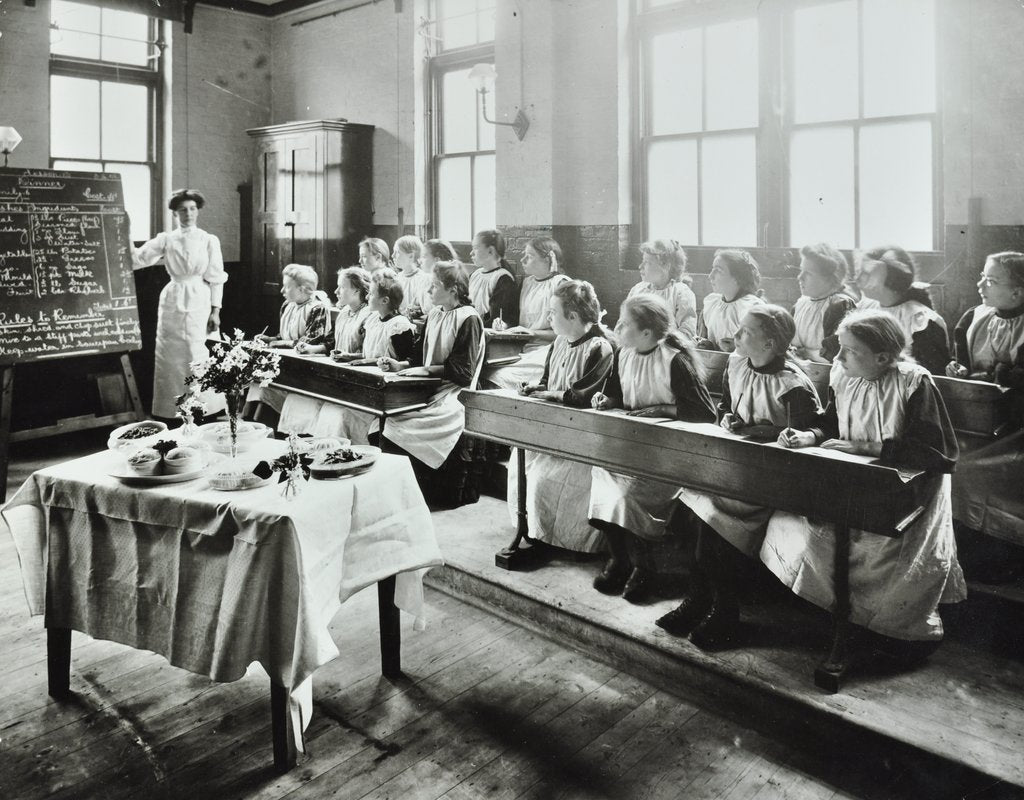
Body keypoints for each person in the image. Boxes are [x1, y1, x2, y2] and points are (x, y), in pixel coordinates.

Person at [765, 310, 966, 661]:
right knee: (806, 532)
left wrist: (865, 448)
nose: (838, 358)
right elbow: (832, 422)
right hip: (853, 482)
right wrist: (809, 434)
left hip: (910, 493)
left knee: (884, 557)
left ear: (883, 357)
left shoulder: (913, 382)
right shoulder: (844, 376)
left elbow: (935, 452)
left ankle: (888, 635)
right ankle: (846, 624)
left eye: (849, 351)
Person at [660, 306, 822, 647]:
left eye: (746, 332)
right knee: (689, 505)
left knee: (713, 519)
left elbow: (807, 440)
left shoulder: (792, 384)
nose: (736, 336)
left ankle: (725, 610)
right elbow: (727, 409)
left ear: (771, 343)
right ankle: (699, 599)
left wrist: (773, 432)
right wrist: (730, 419)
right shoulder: (736, 365)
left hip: (773, 479)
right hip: (737, 467)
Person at [588, 295, 716, 603]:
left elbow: (704, 413)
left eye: (625, 323)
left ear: (647, 333)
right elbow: (619, 395)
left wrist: (662, 410)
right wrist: (608, 401)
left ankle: (645, 567)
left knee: (628, 494)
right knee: (599, 473)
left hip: (669, 455)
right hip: (633, 446)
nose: (617, 327)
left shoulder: (675, 360)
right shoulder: (624, 353)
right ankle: (620, 559)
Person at [510, 280, 615, 554]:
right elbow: (549, 381)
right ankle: (533, 529)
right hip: (555, 428)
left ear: (573, 316)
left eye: (552, 313)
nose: (548, 318)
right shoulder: (559, 342)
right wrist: (537, 388)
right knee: (520, 462)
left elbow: (580, 397)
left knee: (546, 479)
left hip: (583, 437)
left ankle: (560, 540)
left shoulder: (599, 347)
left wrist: (549, 395)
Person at [382, 262, 486, 507]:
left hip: (458, 391)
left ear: (454, 290)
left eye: (435, 285)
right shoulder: (434, 314)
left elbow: (463, 372)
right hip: (430, 386)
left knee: (424, 421)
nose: (428, 290)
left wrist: (427, 370)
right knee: (392, 419)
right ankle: (408, 491)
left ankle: (434, 492)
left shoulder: (468, 318)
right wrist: (402, 366)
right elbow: (418, 355)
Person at [946, 252, 1024, 575]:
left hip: (1015, 426)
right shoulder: (974, 318)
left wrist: (1001, 376)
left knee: (972, 470)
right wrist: (959, 369)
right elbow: (963, 363)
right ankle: (970, 551)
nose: (980, 285)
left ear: (1018, 293)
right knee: (951, 461)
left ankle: (1003, 555)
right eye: (981, 276)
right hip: (978, 419)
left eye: (991, 281)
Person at [132, 188, 227, 419]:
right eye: (183, 210)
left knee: (199, 351)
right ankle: (173, 410)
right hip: (173, 300)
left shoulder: (208, 240)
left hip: (200, 299)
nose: (189, 214)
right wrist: (123, 231)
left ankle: (207, 410)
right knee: (172, 356)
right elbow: (138, 259)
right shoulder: (166, 240)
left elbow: (216, 277)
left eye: (193, 209)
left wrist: (216, 310)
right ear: (175, 213)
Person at [277, 266, 373, 438]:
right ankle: (298, 448)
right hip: (339, 376)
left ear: (357, 290)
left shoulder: (368, 316)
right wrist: (312, 348)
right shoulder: (345, 313)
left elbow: (371, 354)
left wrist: (349, 357)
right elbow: (330, 343)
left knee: (331, 412)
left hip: (361, 381)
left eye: (341, 287)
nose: (336, 291)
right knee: (297, 400)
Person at [247, 263, 332, 424]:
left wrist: (278, 344)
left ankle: (267, 425)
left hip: (305, 368)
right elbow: (285, 335)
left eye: (286, 287)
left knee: (267, 385)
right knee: (258, 384)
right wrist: (272, 339)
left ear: (302, 289)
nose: (282, 291)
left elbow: (309, 341)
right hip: (285, 363)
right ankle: (255, 424)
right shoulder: (287, 305)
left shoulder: (317, 308)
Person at [483, 237, 570, 390]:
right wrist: (505, 325)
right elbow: (516, 320)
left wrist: (532, 333)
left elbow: (566, 334)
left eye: (529, 256)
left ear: (548, 259)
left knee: (498, 378)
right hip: (522, 348)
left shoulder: (561, 284)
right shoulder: (527, 283)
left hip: (549, 351)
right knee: (484, 371)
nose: (522, 260)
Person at [855, 246, 949, 374]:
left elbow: (930, 375)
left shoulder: (920, 321)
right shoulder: (864, 308)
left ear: (890, 278)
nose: (857, 279)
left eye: (866, 273)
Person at [791, 243, 856, 363]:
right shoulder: (800, 305)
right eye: (801, 271)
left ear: (830, 279)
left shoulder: (838, 306)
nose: (800, 277)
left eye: (808, 273)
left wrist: (806, 353)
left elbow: (837, 353)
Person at [697, 249, 765, 351]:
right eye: (712, 269)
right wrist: (707, 345)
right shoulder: (712, 303)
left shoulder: (751, 307)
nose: (710, 276)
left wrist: (738, 346)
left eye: (718, 271)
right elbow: (704, 339)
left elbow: (762, 348)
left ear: (737, 278)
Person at [627, 239, 697, 338]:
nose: (640, 266)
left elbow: (687, 333)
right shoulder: (637, 290)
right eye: (643, 261)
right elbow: (623, 324)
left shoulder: (681, 293)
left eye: (648, 263)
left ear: (666, 266)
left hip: (668, 350)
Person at [352, 269, 418, 366]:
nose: (366, 297)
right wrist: (349, 355)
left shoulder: (399, 326)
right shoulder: (372, 320)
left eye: (371, 294)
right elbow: (369, 355)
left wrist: (368, 362)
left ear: (385, 301)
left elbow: (402, 362)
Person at [468, 229, 518, 328]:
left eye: (476, 248)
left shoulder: (503, 279)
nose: (471, 253)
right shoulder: (474, 275)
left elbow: (497, 318)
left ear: (490, 251)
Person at [392, 235, 434, 324]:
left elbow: (427, 308)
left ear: (411, 256)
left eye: (397, 252)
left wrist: (417, 311)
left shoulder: (424, 279)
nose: (393, 256)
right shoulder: (396, 279)